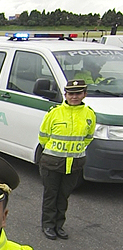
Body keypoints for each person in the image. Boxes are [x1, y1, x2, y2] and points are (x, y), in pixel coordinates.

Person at [38, 79, 95, 240]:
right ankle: (48, 225)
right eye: (71, 93)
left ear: (84, 94)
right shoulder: (54, 112)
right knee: (51, 195)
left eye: (78, 93)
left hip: (74, 164)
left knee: (63, 196)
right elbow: (43, 136)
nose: (74, 97)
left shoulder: (89, 113)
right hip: (52, 162)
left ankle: (59, 225)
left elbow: (88, 137)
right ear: (65, 95)